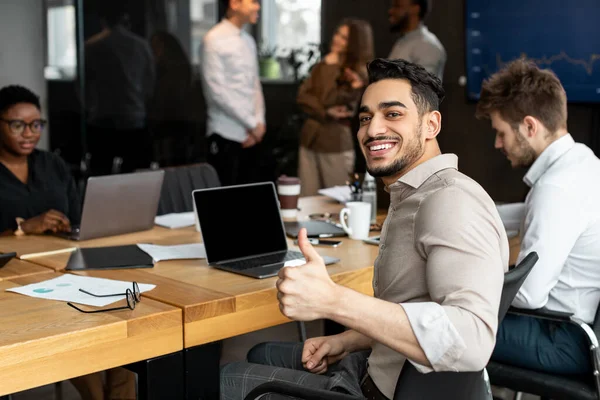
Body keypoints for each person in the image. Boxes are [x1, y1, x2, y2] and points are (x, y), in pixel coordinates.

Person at [220, 59, 509, 400]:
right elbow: (414, 306)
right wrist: (346, 340)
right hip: (377, 366)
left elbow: (471, 341)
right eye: (365, 118)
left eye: (393, 114)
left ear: (431, 125)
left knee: (228, 378)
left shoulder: (450, 201)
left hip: (377, 392)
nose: (372, 131)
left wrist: (334, 301)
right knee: (259, 354)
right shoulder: (415, 193)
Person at [476, 59, 600, 375]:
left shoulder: (556, 189)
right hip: (577, 328)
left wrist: (467, 283)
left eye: (501, 133)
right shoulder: (582, 162)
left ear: (530, 126)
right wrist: (469, 213)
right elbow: (531, 213)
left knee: (442, 324)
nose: (497, 144)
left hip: (562, 337)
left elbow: (529, 295)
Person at [297, 19, 374, 196]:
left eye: (344, 38)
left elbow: (331, 99)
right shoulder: (324, 64)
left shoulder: (358, 73)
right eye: (338, 34)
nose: (337, 39)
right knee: (307, 198)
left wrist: (331, 67)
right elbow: (302, 96)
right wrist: (325, 111)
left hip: (335, 141)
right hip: (310, 138)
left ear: (354, 44)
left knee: (336, 201)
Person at [200, 0, 265, 186]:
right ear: (235, 4)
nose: (257, 6)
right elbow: (217, 92)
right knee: (225, 199)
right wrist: (252, 124)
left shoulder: (248, 40)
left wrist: (259, 123)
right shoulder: (213, 39)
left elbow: (254, 84)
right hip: (225, 133)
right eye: (252, 2)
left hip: (252, 136)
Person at [85, 3, 155, 175]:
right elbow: (150, 83)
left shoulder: (92, 46)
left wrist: (89, 108)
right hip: (134, 118)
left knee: (100, 176)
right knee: (136, 176)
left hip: (102, 118)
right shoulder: (141, 46)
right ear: (126, 19)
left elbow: (83, 85)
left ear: (102, 20)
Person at [0, 85, 80, 236]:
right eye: (17, 126)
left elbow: (76, 222)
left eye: (36, 125)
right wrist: (22, 228)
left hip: (59, 255)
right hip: (11, 259)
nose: (29, 133)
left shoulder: (53, 164)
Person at [148, 31, 195, 167]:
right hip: (171, 120)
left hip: (173, 120)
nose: (153, 51)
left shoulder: (172, 70)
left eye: (156, 46)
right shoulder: (175, 67)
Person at [388, 0, 446, 81]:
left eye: (398, 6)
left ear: (415, 9)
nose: (391, 11)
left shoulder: (427, 46)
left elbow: (422, 89)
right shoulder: (403, 41)